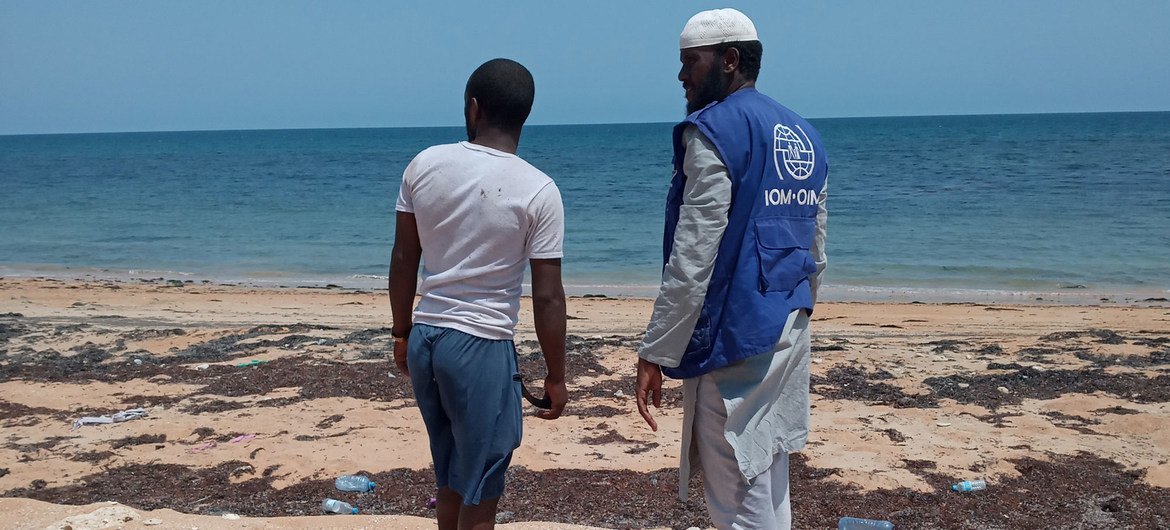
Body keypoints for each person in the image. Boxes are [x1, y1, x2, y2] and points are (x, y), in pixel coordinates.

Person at [634, 9, 829, 529]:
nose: (681, 76)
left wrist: (655, 351)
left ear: (730, 60)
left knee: (736, 495)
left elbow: (693, 255)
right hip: (788, 331)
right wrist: (801, 311)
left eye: (689, 63)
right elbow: (816, 246)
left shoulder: (714, 130)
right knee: (770, 475)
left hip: (736, 340)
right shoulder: (805, 135)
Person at [389, 58, 568, 530]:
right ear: (524, 115)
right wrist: (556, 375)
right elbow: (547, 296)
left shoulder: (424, 164)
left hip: (428, 337)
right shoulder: (538, 189)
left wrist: (402, 332)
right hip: (482, 344)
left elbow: (405, 258)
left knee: (449, 474)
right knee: (483, 484)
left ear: (474, 108)